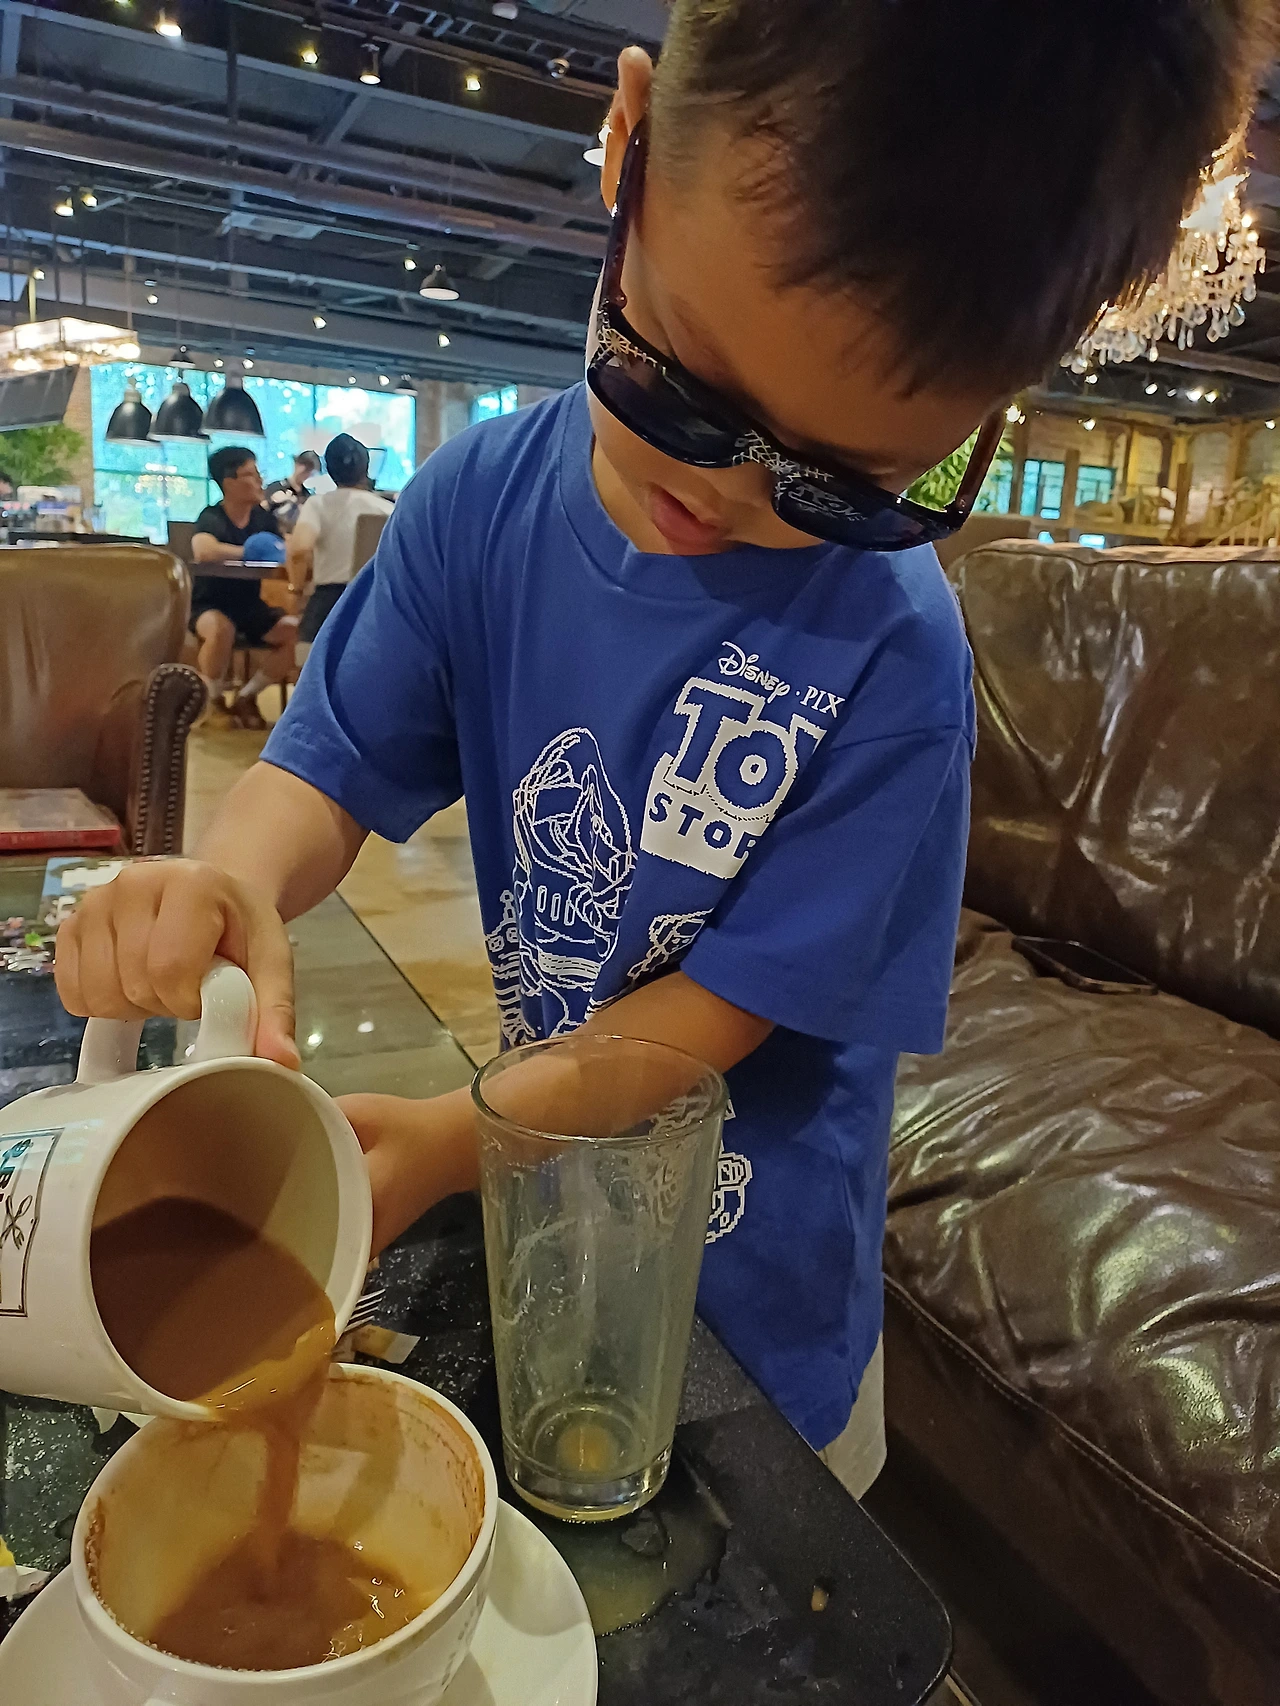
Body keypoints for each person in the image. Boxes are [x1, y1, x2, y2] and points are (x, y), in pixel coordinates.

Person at [56, 1, 1270, 1497]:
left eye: (842, 486)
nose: (725, 494)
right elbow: (325, 763)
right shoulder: (477, 508)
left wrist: (456, 1137)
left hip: (763, 1325)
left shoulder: (894, 657)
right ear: (628, 142)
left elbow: (712, 1018)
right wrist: (231, 876)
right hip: (556, 1252)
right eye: (676, 387)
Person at [190, 446, 299, 732]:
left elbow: (284, 548)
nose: (260, 480)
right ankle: (212, 702)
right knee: (220, 629)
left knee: (296, 633)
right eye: (251, 474)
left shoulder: (263, 520)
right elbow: (203, 550)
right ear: (229, 482)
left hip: (250, 607)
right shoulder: (212, 516)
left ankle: (247, 696)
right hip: (209, 604)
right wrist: (250, 551)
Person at [286, 435, 393, 663]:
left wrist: (297, 591)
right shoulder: (389, 510)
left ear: (329, 469)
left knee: (313, 671)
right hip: (376, 605)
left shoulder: (318, 504)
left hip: (327, 603)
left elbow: (299, 550)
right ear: (366, 468)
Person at [264, 450, 322, 534]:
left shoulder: (307, 497)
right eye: (303, 466)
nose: (304, 472)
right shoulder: (275, 487)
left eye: (309, 470)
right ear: (296, 463)